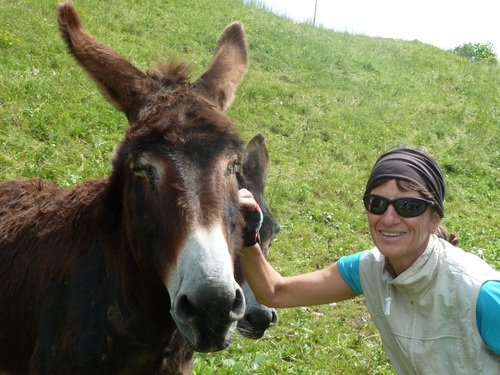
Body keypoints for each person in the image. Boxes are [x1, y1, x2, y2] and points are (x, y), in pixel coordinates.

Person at [239, 146, 500, 375]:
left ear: (435, 218)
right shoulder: (369, 269)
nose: (388, 218)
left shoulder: (481, 294)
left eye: (408, 206)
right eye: (376, 203)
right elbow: (275, 292)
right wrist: (248, 236)